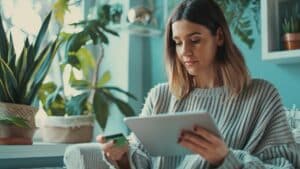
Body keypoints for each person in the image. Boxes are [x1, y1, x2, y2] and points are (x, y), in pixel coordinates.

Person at [97, 0, 300, 168]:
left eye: (194, 40)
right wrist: (122, 155)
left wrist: (225, 158)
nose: (184, 51)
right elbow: (140, 157)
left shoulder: (262, 95)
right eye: (177, 42)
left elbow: (284, 165)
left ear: (219, 37)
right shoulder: (160, 96)